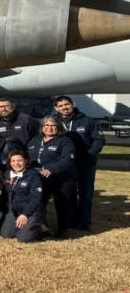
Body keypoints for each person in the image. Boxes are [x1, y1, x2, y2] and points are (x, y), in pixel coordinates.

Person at [53, 95, 105, 232]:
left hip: (85, 163)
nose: (64, 107)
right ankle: (71, 220)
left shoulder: (87, 120)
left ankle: (84, 221)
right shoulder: (54, 122)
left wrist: (89, 154)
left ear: (73, 104)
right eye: (61, 106)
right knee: (68, 193)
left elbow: (99, 140)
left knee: (85, 193)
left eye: (67, 104)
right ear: (56, 108)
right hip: (65, 165)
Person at [27, 116, 76, 238]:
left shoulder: (65, 141)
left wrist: (52, 169)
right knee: (40, 203)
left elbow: (67, 159)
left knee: (62, 204)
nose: (49, 128)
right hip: (40, 178)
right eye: (46, 125)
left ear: (58, 127)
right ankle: (43, 228)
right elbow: (27, 157)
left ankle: (63, 229)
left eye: (53, 125)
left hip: (61, 178)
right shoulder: (35, 140)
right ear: (42, 127)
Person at [1, 150, 44, 243]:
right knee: (6, 234)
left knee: (23, 239)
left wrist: (25, 214)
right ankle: (23, 227)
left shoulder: (33, 175)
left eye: (19, 160)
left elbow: (36, 198)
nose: (16, 163)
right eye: (13, 161)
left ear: (25, 161)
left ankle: (39, 228)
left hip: (30, 211)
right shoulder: (8, 174)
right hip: (15, 211)